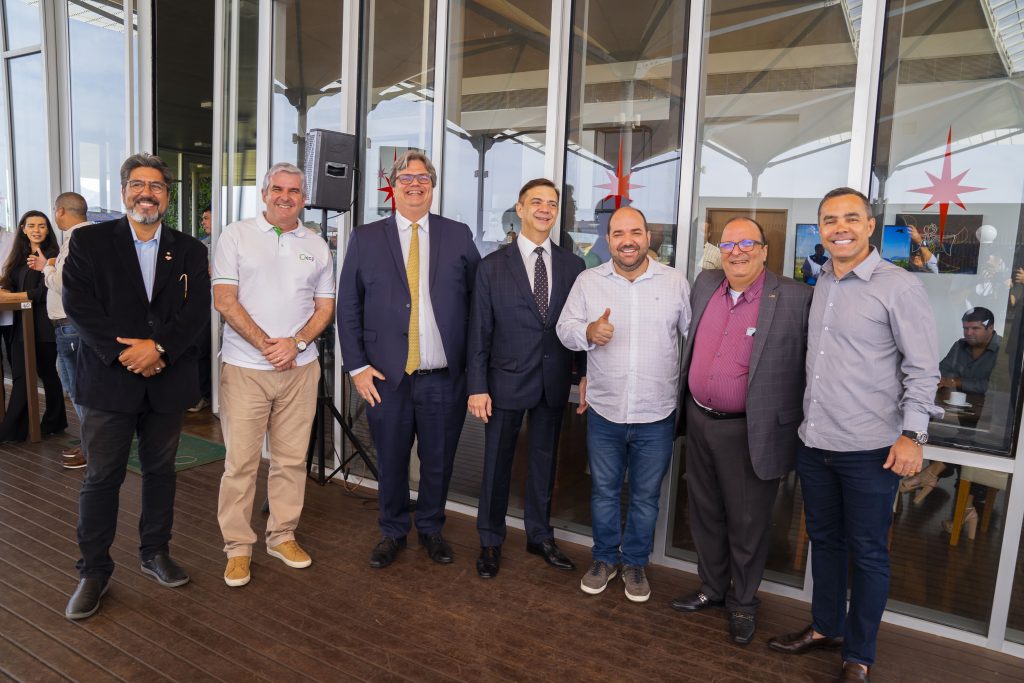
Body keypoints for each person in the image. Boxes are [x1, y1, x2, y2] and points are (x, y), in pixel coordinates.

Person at [768, 188, 941, 683]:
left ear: (869, 226)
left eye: (850, 218)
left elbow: (922, 369)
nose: (839, 227)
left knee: (868, 553)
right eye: (829, 220)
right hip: (816, 442)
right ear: (821, 229)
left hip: (870, 450)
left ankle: (859, 654)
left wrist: (913, 435)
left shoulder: (898, 286)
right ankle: (827, 627)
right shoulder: (822, 279)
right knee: (824, 542)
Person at [61, 153, 210, 620]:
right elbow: (79, 305)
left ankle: (154, 553)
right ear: (124, 190)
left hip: (167, 380)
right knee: (101, 477)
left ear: (167, 196)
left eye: (157, 186)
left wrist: (158, 348)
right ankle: (93, 571)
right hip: (109, 381)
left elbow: (196, 311)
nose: (147, 194)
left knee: (161, 472)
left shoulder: (190, 249)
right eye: (138, 185)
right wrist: (126, 353)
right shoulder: (90, 242)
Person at [672, 217, 811, 645]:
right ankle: (712, 588)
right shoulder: (705, 284)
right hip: (699, 420)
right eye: (729, 244)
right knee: (705, 513)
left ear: (765, 250)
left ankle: (744, 603)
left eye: (747, 243)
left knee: (748, 523)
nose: (737, 252)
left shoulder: (795, 296)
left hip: (750, 430)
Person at [338, 151, 480, 569]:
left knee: (438, 461)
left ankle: (432, 529)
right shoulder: (365, 237)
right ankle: (392, 530)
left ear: (432, 187)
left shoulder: (458, 235)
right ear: (393, 187)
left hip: (444, 378)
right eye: (406, 178)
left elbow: (478, 304)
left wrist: (474, 372)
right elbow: (348, 306)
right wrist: (357, 367)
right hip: (386, 377)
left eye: (423, 178)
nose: (414, 184)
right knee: (392, 460)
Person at [556, 206, 690, 603]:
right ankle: (603, 559)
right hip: (605, 411)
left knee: (646, 497)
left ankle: (634, 563)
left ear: (648, 237)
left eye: (634, 232)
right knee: (604, 492)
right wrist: (588, 331)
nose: (627, 240)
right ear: (608, 240)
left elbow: (693, 337)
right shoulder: (588, 281)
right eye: (618, 234)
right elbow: (565, 329)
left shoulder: (674, 282)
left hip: (656, 413)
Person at [213, 163, 335, 587]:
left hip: (300, 370)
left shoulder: (317, 245)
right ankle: (237, 547)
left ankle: (281, 535)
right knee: (240, 464)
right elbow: (224, 299)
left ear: (304, 198)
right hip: (246, 369)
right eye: (278, 189)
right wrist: (269, 345)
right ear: (264, 193)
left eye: (294, 191)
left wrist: (295, 344)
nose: (286, 196)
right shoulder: (236, 235)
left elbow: (324, 307)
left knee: (290, 461)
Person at [467, 178, 586, 579]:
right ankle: (490, 540)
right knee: (497, 464)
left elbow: (578, 325)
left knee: (544, 463)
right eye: (536, 201)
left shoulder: (573, 266)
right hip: (504, 382)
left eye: (551, 203)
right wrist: (477, 386)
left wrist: (584, 375)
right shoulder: (491, 266)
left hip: (553, 380)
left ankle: (540, 535)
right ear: (520, 209)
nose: (544, 209)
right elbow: (479, 331)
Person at [901, 307, 1001, 505]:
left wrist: (957, 382)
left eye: (975, 328)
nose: (968, 333)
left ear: (990, 328)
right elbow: (942, 370)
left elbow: (995, 386)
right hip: (957, 410)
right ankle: (937, 477)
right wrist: (940, 379)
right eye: (965, 328)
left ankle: (934, 474)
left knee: (968, 438)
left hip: (989, 417)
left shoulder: (1003, 350)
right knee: (927, 424)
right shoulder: (960, 346)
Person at [27, 192, 91, 467]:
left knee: (79, 391)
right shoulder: (87, 238)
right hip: (69, 326)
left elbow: (63, 285)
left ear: (60, 211)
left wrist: (46, 268)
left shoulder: (76, 240)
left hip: (70, 325)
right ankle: (89, 445)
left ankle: (93, 450)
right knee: (75, 389)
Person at [0, 210, 67, 443]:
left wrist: (12, 296)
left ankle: (50, 422)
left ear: (48, 230)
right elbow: (9, 282)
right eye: (31, 225)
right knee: (22, 374)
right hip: (21, 324)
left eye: (41, 225)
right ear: (23, 229)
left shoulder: (53, 256)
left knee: (46, 373)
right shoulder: (18, 255)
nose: (36, 230)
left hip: (44, 324)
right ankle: (22, 428)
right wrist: (5, 290)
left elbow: (43, 292)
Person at [189, 204, 213, 413]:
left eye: (206, 218)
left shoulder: (232, 244)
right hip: (206, 306)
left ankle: (206, 394)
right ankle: (202, 394)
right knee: (201, 349)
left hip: (224, 309)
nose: (203, 222)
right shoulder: (200, 246)